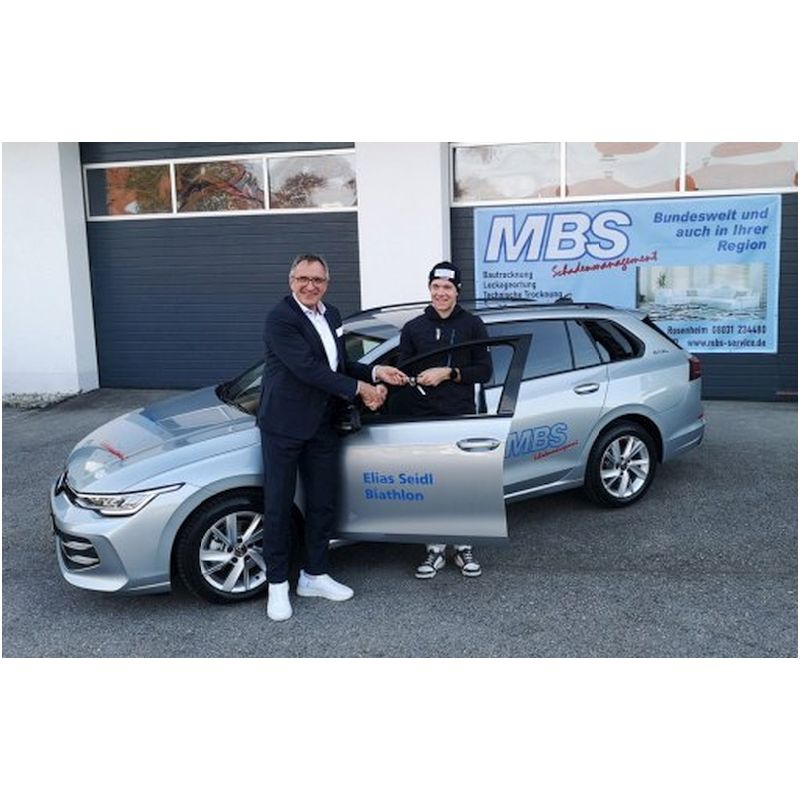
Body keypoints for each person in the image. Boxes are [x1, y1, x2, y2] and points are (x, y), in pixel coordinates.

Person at [258, 253, 405, 621]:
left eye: (318, 280)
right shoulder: (280, 318)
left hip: (322, 424)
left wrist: (375, 372)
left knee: (323, 501)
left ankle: (314, 574)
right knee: (278, 506)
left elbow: (337, 364)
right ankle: (277, 585)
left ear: (327, 283)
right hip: (283, 425)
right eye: (303, 279)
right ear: (291, 280)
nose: (311, 286)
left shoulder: (332, 315)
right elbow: (307, 369)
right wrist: (360, 390)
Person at [398, 261, 493, 579]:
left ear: (457, 291)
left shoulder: (472, 325)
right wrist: (413, 379)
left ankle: (464, 548)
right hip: (424, 419)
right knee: (431, 487)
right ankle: (435, 550)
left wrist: (449, 373)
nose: (441, 293)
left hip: (460, 417)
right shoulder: (413, 328)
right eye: (436, 287)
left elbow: (485, 371)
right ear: (429, 288)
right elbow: (403, 372)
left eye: (447, 288)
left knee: (461, 485)